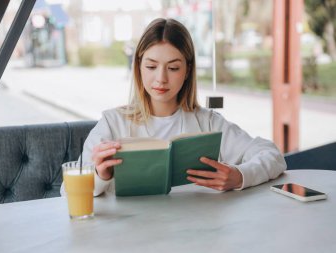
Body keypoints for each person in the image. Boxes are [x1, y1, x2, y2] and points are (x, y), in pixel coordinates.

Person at [61, 18, 286, 197]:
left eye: (173, 68)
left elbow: (272, 155)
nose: (161, 79)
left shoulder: (208, 122)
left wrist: (240, 175)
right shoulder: (113, 122)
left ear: (187, 70)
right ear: (139, 66)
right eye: (151, 66)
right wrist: (101, 175)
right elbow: (67, 191)